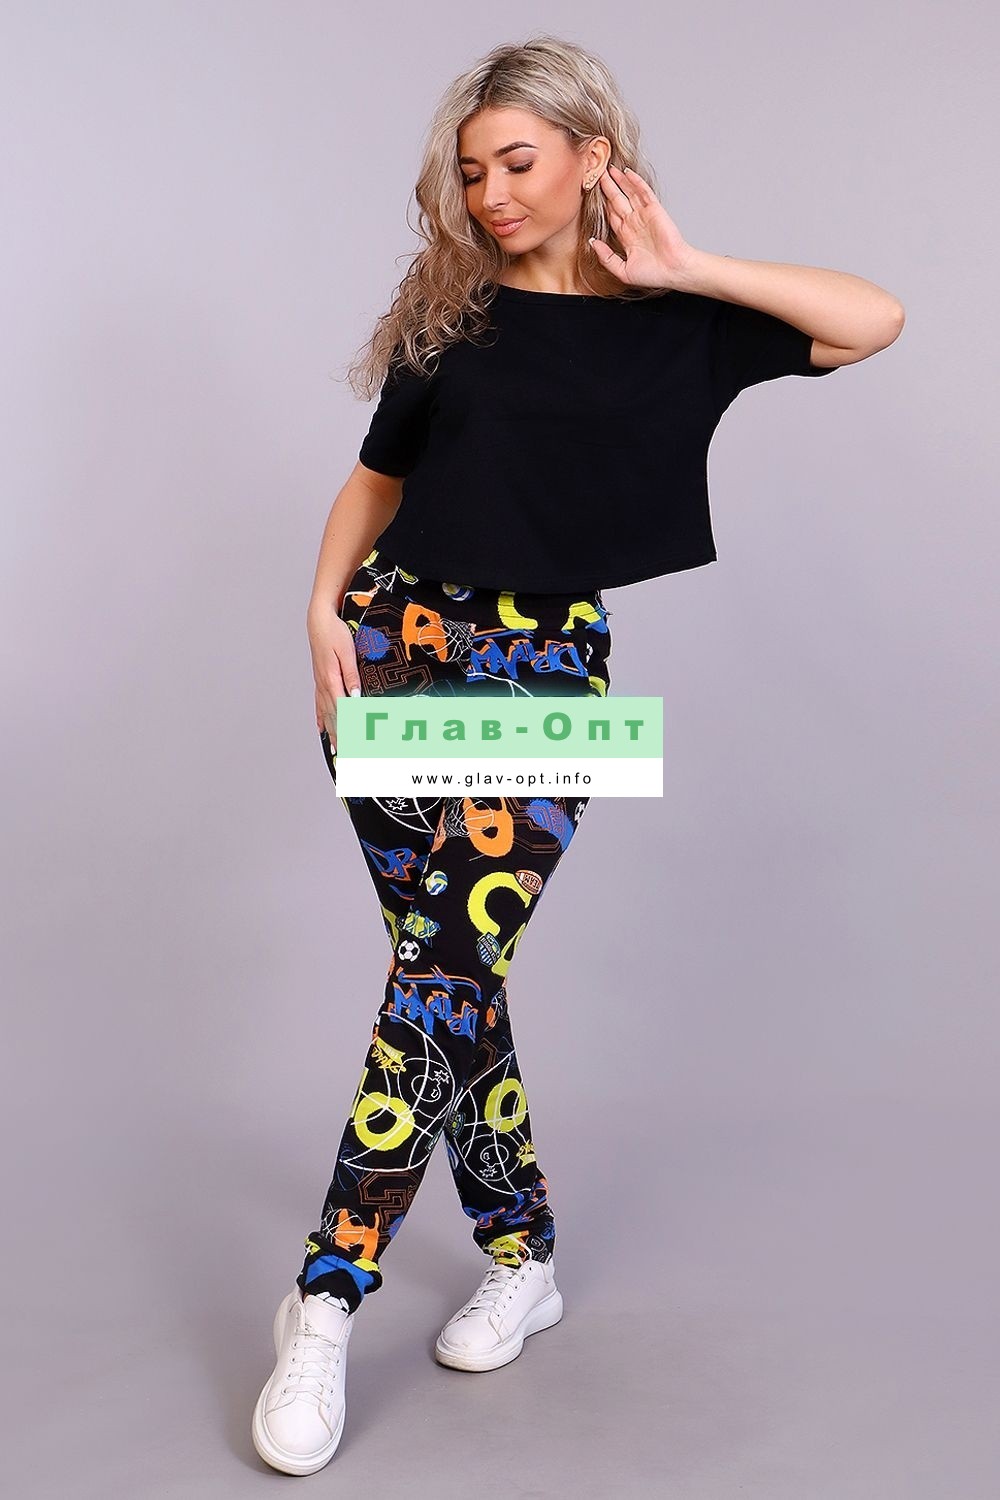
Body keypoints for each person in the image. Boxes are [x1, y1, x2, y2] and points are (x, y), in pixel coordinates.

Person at [251, 33, 905, 1476]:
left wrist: (686, 264)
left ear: (592, 157)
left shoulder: (681, 321)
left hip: (548, 670)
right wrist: (317, 612)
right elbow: (375, 481)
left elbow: (876, 319)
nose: (490, 194)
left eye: (518, 163)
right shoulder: (450, 319)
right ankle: (524, 1254)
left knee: (440, 972)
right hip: (394, 646)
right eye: (472, 172)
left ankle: (326, 1298)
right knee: (450, 984)